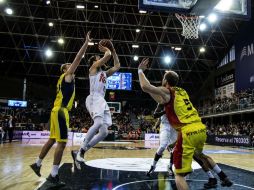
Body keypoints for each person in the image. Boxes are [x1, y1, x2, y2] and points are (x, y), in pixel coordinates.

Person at [137, 58, 232, 190]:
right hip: (200, 128)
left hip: (187, 131)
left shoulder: (167, 92)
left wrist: (140, 71)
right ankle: (222, 176)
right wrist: (168, 76)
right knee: (200, 155)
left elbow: (145, 87)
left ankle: (214, 176)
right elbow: (156, 94)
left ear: (165, 82)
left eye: (164, 78)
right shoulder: (182, 91)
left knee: (179, 175)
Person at [30, 31, 92, 187]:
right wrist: (85, 44)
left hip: (56, 110)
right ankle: (53, 175)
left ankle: (37, 163)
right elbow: (78, 58)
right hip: (61, 111)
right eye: (68, 66)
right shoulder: (67, 75)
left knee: (52, 139)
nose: (71, 67)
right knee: (62, 144)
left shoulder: (63, 80)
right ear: (66, 70)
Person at [72, 40, 120, 170]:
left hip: (101, 100)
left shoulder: (104, 73)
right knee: (98, 124)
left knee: (104, 132)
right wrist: (107, 50)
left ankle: (81, 151)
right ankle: (82, 149)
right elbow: (108, 55)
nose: (100, 59)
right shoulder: (92, 69)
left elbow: (117, 66)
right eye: (98, 58)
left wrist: (113, 51)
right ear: (94, 62)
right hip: (93, 98)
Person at [146, 103, 177, 177]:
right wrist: (165, 111)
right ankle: (153, 166)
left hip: (174, 126)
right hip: (165, 126)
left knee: (174, 149)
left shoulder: (177, 102)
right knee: (162, 146)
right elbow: (155, 115)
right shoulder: (161, 103)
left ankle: (170, 167)